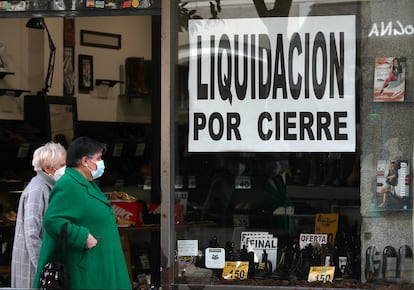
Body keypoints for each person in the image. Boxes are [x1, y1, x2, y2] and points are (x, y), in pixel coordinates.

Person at [33, 136, 131, 290]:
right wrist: (82, 237)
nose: (101, 163)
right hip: (84, 269)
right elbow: (52, 220)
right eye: (98, 158)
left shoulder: (86, 182)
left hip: (98, 265)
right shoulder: (68, 184)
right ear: (85, 161)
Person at [11, 142, 67, 289]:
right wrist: (43, 267)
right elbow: (31, 234)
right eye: (62, 165)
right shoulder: (38, 189)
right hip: (32, 268)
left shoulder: (48, 188)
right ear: (47, 168)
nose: (65, 169)